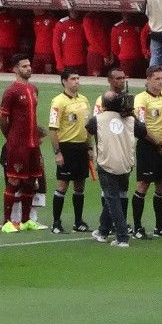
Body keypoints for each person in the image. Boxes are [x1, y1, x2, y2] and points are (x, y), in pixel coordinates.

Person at [0, 57, 46, 231]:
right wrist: (10, 137)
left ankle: (26, 220)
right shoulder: (11, 92)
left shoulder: (34, 89)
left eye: (29, 65)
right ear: (15, 69)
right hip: (18, 144)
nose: (28, 68)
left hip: (33, 144)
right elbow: (2, 118)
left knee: (31, 181)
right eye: (24, 66)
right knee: (14, 180)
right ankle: (6, 222)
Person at [131, 68, 162, 239]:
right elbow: (140, 127)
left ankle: (159, 226)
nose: (160, 82)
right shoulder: (141, 99)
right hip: (148, 146)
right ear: (148, 79)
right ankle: (137, 227)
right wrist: (158, 142)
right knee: (143, 184)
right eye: (156, 78)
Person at [91, 92, 138, 247]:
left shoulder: (97, 119)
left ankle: (122, 236)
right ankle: (103, 231)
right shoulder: (130, 120)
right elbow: (142, 131)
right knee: (114, 197)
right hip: (125, 164)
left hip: (107, 163)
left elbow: (88, 128)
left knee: (112, 198)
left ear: (103, 105)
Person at [49, 70, 92, 233]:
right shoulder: (58, 102)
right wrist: (57, 152)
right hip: (67, 147)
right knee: (62, 185)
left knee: (80, 185)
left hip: (82, 147)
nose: (76, 81)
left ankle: (78, 221)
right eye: (73, 79)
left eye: (78, 78)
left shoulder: (84, 100)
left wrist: (90, 147)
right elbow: (53, 128)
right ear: (64, 82)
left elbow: (88, 127)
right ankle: (56, 223)